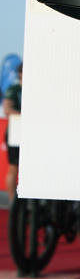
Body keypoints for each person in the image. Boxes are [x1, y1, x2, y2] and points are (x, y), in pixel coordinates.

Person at [3, 64, 22, 203]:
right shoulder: (14, 89)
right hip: (16, 133)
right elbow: (7, 109)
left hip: (31, 134)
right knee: (14, 167)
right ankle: (12, 204)